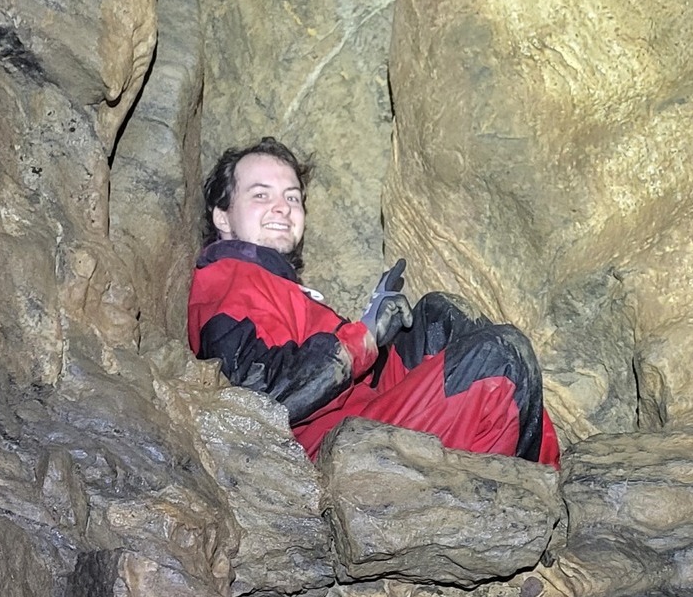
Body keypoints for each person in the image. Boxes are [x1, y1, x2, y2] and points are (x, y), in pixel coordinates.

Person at [187, 138, 561, 468]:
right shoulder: (229, 277)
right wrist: (363, 337)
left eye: (292, 197)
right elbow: (256, 395)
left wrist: (379, 335)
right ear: (222, 216)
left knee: (437, 316)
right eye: (261, 195)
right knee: (499, 356)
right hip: (330, 454)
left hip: (359, 422)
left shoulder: (280, 287)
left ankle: (531, 476)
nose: (282, 207)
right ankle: (531, 486)